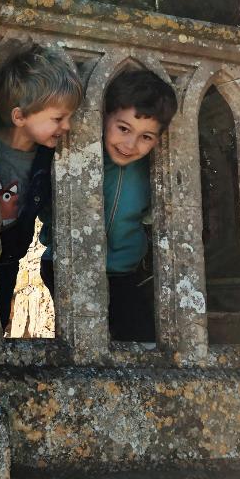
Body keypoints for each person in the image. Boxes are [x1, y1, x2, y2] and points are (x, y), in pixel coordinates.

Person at [0, 45, 83, 332]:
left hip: (9, 260)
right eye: (58, 118)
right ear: (19, 117)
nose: (67, 126)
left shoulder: (47, 158)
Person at [102, 69, 177, 342]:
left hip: (124, 273)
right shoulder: (82, 154)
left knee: (140, 342)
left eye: (146, 137)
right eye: (123, 129)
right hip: (65, 265)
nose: (130, 144)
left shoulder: (152, 171)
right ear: (104, 116)